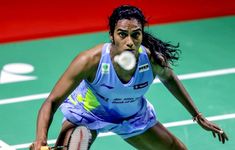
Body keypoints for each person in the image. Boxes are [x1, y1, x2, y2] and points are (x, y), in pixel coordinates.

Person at [30, 5, 228, 150]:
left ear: (142, 35)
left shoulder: (150, 60)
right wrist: (41, 139)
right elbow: (52, 101)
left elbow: (169, 78)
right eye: (122, 34)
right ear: (111, 35)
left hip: (131, 117)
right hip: (88, 116)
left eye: (136, 35)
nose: (129, 42)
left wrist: (197, 115)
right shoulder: (90, 61)